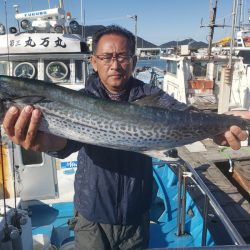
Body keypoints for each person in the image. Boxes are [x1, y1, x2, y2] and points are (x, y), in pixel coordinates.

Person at [3, 25, 250, 250]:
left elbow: (184, 115)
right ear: (93, 61)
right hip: (92, 217)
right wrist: (45, 144)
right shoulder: (83, 98)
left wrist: (223, 126)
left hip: (136, 216)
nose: (115, 64)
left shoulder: (151, 95)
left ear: (133, 60)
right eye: (106, 57)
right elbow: (66, 144)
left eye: (122, 57)